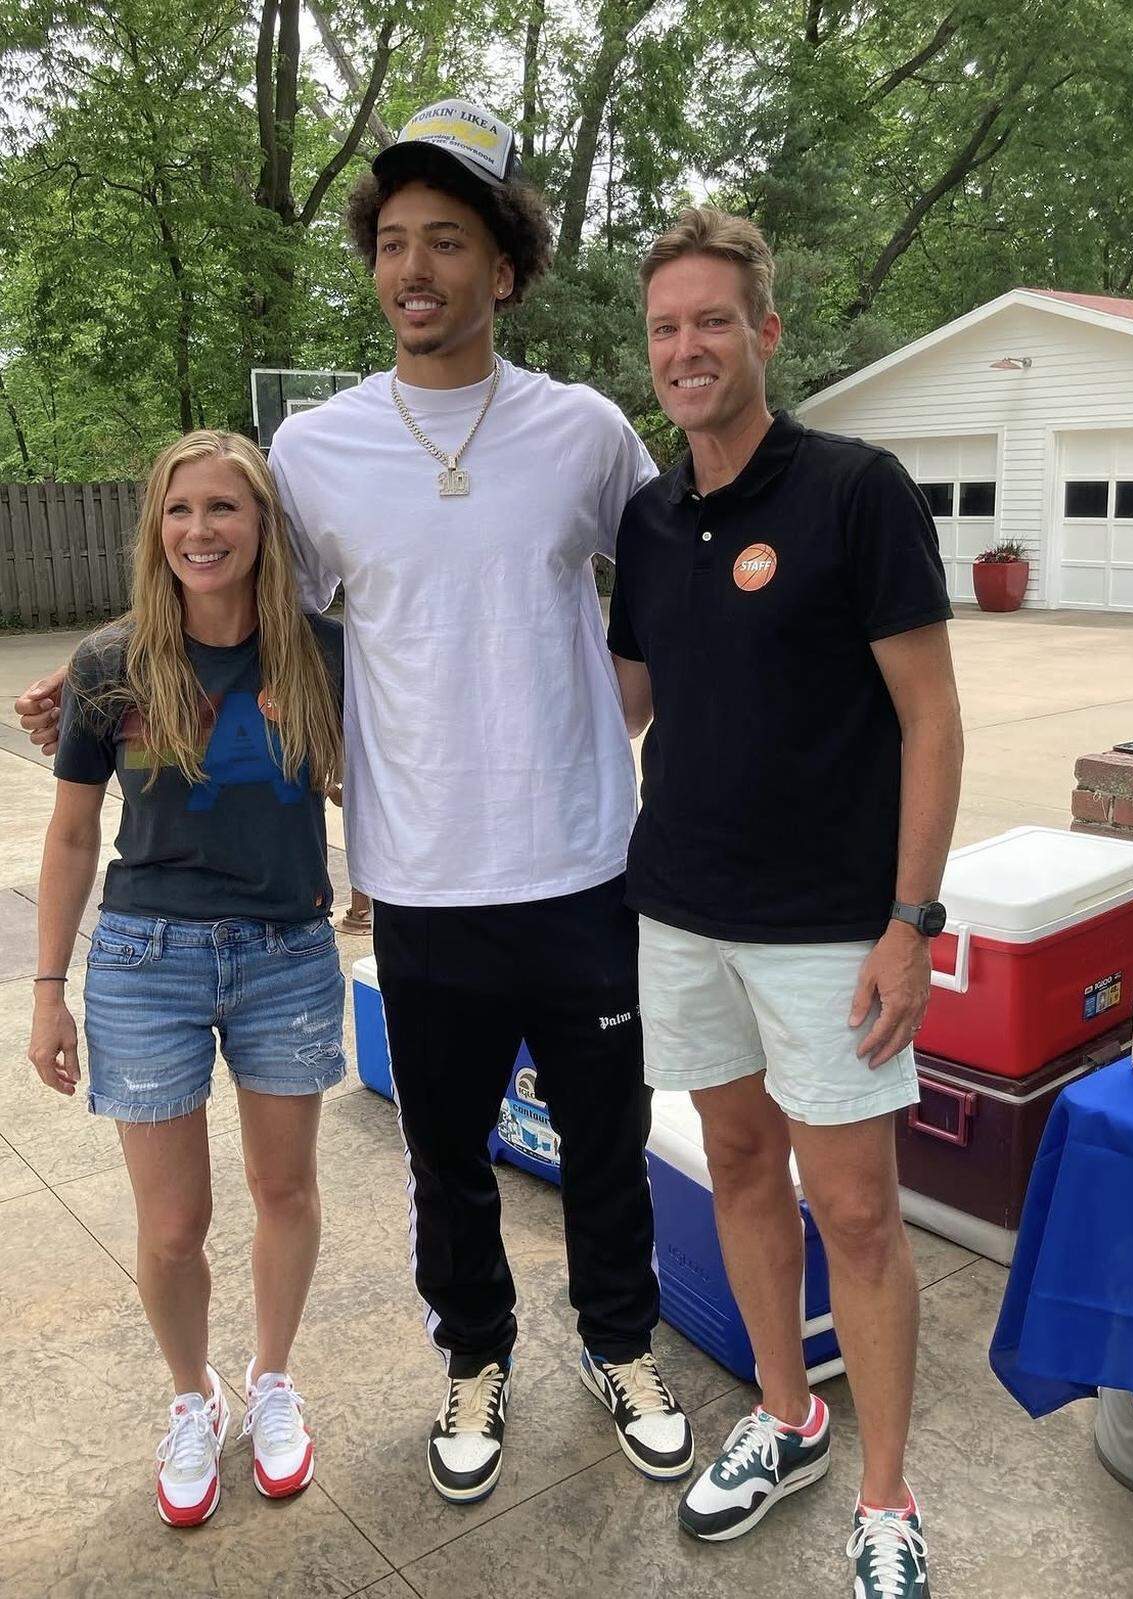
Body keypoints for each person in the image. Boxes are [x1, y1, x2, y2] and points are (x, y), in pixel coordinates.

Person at [19, 98, 693, 1505]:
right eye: (392, 243)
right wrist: (105, 689)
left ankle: (621, 1345)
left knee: (608, 1137)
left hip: (578, 863)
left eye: (449, 239)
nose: (415, 269)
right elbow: (234, 608)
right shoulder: (318, 453)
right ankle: (475, 1355)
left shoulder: (582, 433)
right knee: (449, 1158)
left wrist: (592, 720)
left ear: (503, 266)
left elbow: (669, 606)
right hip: (422, 878)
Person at [607, 207, 963, 1597]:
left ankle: (888, 1494)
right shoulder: (646, 514)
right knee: (741, 1170)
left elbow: (930, 719)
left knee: (858, 1211)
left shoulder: (854, 489)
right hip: (680, 908)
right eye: (664, 326)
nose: (685, 347)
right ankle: (788, 1414)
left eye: (711, 320)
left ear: (765, 330)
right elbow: (618, 702)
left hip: (832, 926)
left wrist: (912, 921)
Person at [27, 431, 346, 1527]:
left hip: (289, 960)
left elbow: (396, 773)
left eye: (225, 509)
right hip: (142, 964)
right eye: (179, 511)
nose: (201, 531)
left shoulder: (321, 652)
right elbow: (71, 838)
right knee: (172, 1228)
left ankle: (272, 1382)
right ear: (154, 531)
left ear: (263, 527)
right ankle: (190, 1396)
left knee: (286, 1193)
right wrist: (45, 989)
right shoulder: (111, 665)